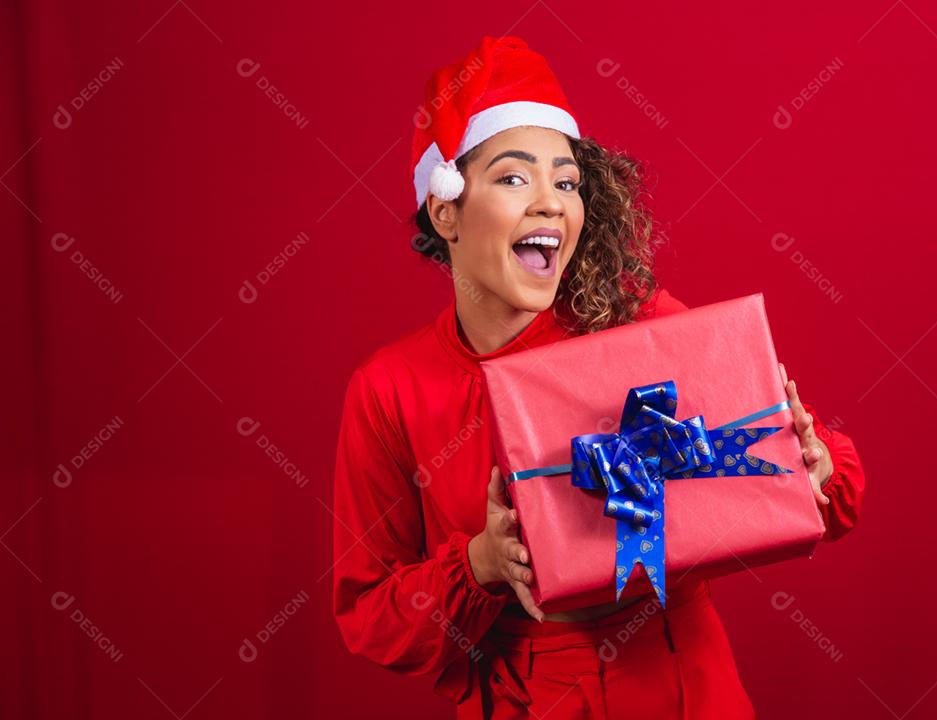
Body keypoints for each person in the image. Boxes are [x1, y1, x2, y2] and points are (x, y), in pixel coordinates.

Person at [332, 35, 866, 719]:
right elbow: (368, 610)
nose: (553, 203)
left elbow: (807, 476)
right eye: (515, 177)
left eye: (568, 181)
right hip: (528, 698)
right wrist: (480, 564)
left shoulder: (636, 324)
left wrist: (813, 462)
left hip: (683, 685)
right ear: (445, 208)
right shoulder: (390, 389)